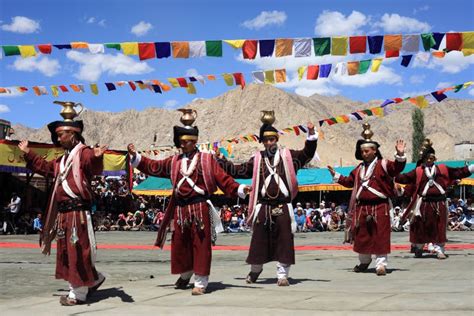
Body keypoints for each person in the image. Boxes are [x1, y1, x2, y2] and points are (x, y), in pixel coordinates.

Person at [127, 109, 250, 295]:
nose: (185, 145)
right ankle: (186, 274)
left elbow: (223, 179)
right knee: (180, 245)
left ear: (195, 142)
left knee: (201, 245)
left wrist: (239, 189)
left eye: (189, 142)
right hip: (180, 209)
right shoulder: (173, 161)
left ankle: (200, 281)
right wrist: (137, 157)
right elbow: (155, 167)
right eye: (183, 142)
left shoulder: (207, 160)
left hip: (200, 207)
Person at [18, 103, 107, 305]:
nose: (58, 139)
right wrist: (29, 153)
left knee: (77, 251)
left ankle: (78, 294)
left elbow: (93, 166)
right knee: (68, 252)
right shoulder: (62, 160)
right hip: (64, 214)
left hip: (78, 214)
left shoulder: (84, 153)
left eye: (61, 135)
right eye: (57, 135)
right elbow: (47, 168)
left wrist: (97, 158)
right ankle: (95, 278)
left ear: (73, 134)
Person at [217, 111, 318, 286]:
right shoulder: (256, 160)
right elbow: (238, 171)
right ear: (262, 142)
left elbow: (307, 154)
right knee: (258, 241)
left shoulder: (290, 157)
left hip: (284, 206)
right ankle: (256, 270)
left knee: (285, 241)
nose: (269, 142)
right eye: (266, 140)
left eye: (272, 139)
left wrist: (311, 136)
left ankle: (282, 275)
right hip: (263, 207)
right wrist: (222, 161)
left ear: (276, 140)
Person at [328, 123, 406, 276]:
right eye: (362, 151)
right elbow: (349, 182)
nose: (364, 153)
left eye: (367, 151)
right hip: (362, 208)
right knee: (362, 236)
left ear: (375, 151)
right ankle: (364, 262)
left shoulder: (383, 165)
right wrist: (336, 176)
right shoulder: (358, 169)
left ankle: (381, 265)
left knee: (381, 236)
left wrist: (400, 155)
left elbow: (396, 168)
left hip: (380, 207)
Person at [396, 139, 473, 259]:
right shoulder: (418, 171)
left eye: (431, 158)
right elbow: (404, 178)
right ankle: (419, 247)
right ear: (424, 159)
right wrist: (390, 173)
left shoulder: (442, 169)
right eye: (427, 158)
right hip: (424, 204)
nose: (429, 160)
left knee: (439, 226)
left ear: (435, 158)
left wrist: (471, 167)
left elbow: (459, 172)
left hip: (440, 203)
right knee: (421, 226)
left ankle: (439, 249)